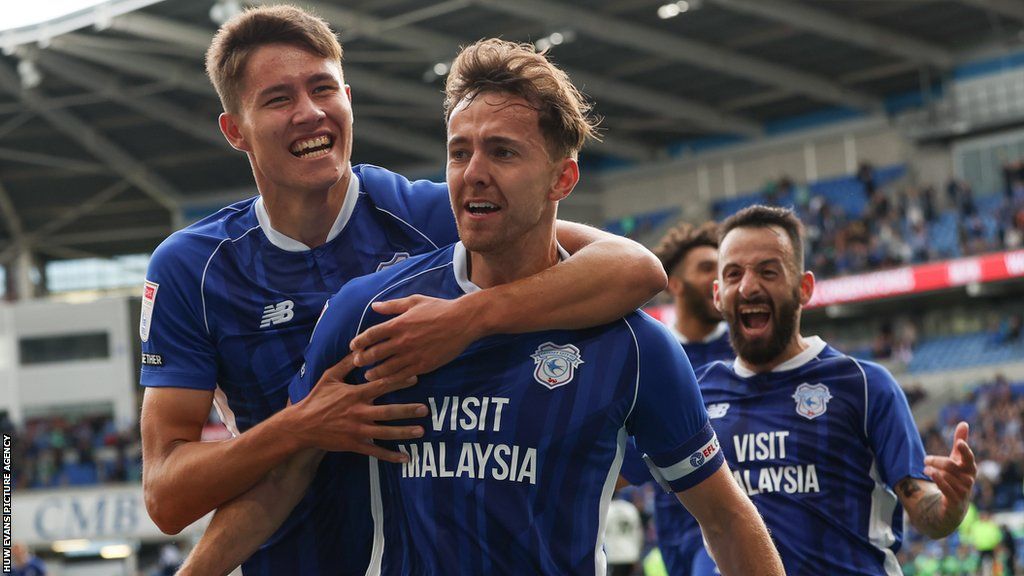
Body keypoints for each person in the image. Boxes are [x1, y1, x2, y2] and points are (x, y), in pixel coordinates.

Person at [180, 38, 784, 576]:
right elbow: (286, 476)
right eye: (459, 152)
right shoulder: (369, 313)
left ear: (562, 179)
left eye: (503, 152)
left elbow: (727, 518)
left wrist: (473, 318)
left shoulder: (632, 346)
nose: (473, 175)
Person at [693, 204, 977, 575]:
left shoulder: (864, 385)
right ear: (718, 294)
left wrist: (951, 506)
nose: (748, 286)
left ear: (804, 288)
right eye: (734, 274)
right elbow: (611, 471)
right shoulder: (697, 395)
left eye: (768, 271)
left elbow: (927, 511)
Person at [618, 221, 734, 576]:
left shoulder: (747, 349)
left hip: (745, 520)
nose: (718, 279)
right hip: (679, 533)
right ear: (676, 285)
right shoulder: (650, 355)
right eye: (705, 269)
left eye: (721, 269)